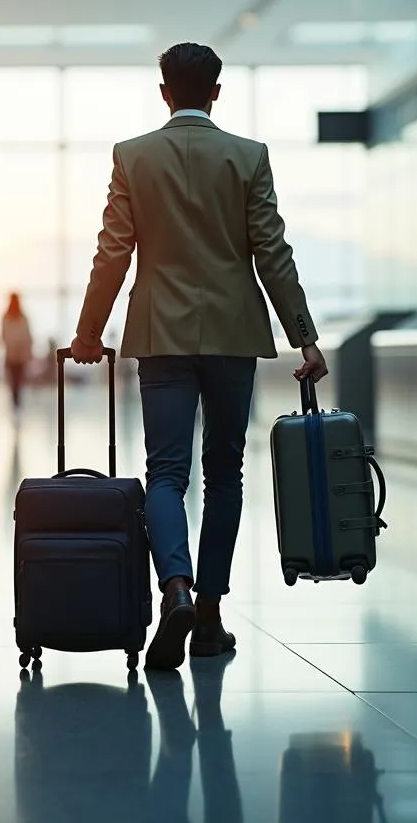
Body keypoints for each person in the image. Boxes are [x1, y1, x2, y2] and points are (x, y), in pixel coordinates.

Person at [69, 41, 327, 671]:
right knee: (225, 473)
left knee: (166, 473)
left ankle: (176, 588)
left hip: (161, 335)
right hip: (233, 335)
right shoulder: (248, 157)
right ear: (216, 91)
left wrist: (87, 332)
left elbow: (113, 252)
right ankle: (209, 616)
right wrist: (304, 336)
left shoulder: (133, 156)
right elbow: (273, 252)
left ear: (164, 93)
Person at [1, 293, 34, 412]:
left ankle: (16, 403)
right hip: (19, 355)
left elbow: (4, 336)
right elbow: (27, 337)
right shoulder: (22, 318)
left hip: (13, 355)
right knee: (17, 380)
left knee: (14, 381)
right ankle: (17, 403)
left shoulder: (6, 318)